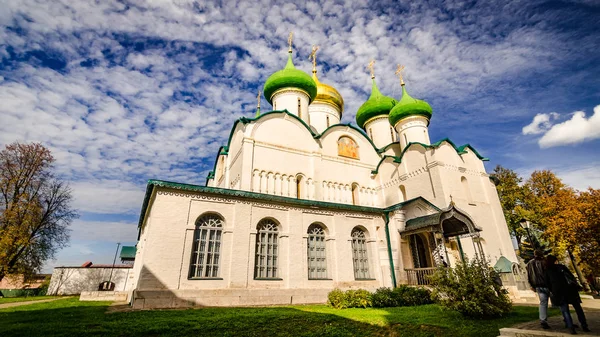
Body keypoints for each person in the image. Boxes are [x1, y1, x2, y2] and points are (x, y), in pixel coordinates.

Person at [544, 254, 590, 334]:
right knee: (578, 308)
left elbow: (547, 283)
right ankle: (584, 325)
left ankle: (571, 328)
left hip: (559, 291)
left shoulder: (547, 270)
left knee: (565, 310)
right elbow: (571, 277)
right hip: (570, 289)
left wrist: (553, 290)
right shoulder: (562, 267)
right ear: (555, 260)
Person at [527, 249, 551, 329]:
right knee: (559, 302)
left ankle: (543, 320)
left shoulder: (530, 263)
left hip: (537, 286)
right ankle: (566, 319)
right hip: (547, 285)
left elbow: (529, 275)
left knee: (543, 303)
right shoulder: (545, 261)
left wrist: (531, 285)